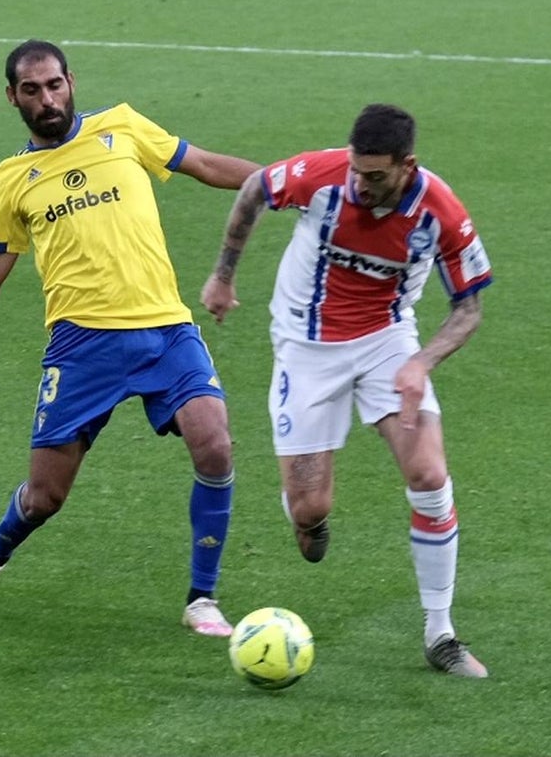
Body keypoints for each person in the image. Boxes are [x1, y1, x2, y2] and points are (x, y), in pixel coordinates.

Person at [0, 40, 261, 637]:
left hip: (166, 330)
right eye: (32, 90)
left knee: (215, 446)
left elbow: (206, 165)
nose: (47, 100)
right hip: (81, 348)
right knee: (44, 497)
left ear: (71, 80)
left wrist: (286, 182)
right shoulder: (13, 180)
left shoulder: (123, 126)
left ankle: (203, 598)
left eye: (55, 85)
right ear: (12, 97)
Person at [201, 103, 493, 675]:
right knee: (311, 508)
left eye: (376, 176)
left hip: (387, 342)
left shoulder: (442, 214)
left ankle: (441, 633)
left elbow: (469, 308)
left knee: (429, 474)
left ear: (408, 165)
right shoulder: (324, 177)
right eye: (357, 171)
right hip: (306, 350)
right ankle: (306, 515)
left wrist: (422, 362)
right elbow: (257, 188)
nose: (361, 184)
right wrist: (223, 275)